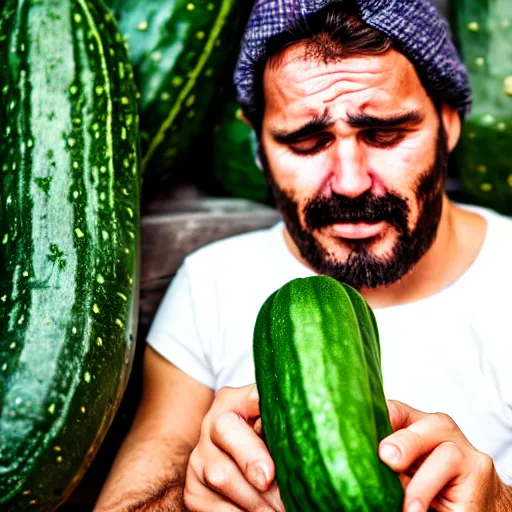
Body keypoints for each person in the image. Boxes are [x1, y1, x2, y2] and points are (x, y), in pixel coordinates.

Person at [95, 0, 512, 510]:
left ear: (448, 123)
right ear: (257, 146)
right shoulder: (211, 284)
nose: (352, 181)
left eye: (384, 133)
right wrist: (188, 499)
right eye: (306, 140)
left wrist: (500, 504)